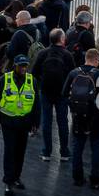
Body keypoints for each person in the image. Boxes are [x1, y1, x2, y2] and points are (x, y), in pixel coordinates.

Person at [0, 53, 38, 196]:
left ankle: (17, 177)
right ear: (15, 66)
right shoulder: (5, 79)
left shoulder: (32, 81)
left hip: (24, 123)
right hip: (8, 122)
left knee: (20, 152)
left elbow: (37, 104)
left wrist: (36, 122)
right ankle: (8, 181)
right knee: (10, 151)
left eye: (25, 66)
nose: (24, 68)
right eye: (21, 66)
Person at [63, 48, 99, 189]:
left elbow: (64, 93)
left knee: (78, 146)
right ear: (96, 59)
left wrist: (73, 108)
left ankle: (77, 178)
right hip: (97, 117)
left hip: (78, 116)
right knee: (97, 148)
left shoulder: (73, 73)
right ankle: (95, 180)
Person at [32, 28, 75, 163]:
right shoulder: (67, 55)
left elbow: (34, 72)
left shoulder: (43, 53)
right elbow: (72, 75)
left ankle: (46, 152)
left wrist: (42, 82)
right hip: (62, 93)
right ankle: (64, 152)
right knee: (63, 122)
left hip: (45, 91)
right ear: (62, 40)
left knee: (47, 121)